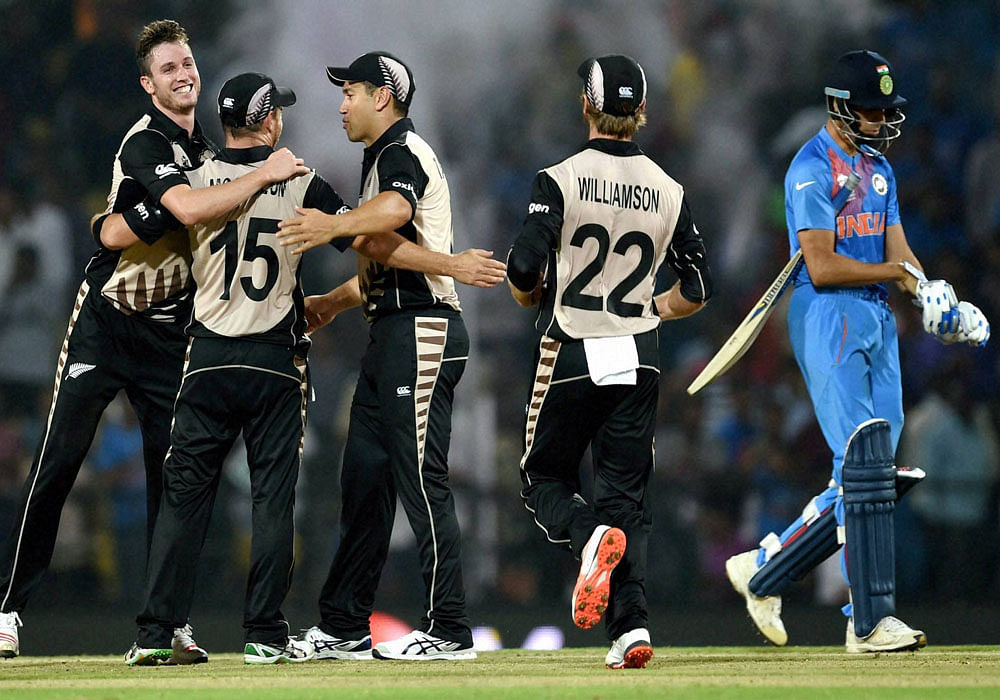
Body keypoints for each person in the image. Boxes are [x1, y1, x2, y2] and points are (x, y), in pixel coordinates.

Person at [120, 70, 505, 666]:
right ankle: (266, 635)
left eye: (349, 94)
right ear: (269, 120)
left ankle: (154, 633)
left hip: (206, 359)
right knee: (274, 500)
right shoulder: (302, 181)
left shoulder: (194, 182)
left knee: (183, 498)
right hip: (275, 359)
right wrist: (444, 262)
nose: (336, 106)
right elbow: (374, 245)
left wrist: (101, 228)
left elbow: (132, 227)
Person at [0, 19, 305, 662]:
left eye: (188, 62)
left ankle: (167, 623)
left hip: (171, 336)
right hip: (107, 322)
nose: (184, 73)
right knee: (59, 461)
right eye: (168, 69)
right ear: (148, 85)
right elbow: (180, 215)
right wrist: (263, 174)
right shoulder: (145, 142)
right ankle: (8, 610)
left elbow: (121, 228)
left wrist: (129, 221)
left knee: (176, 485)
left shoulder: (214, 157)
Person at [725, 50, 990, 653]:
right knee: (866, 458)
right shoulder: (809, 168)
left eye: (884, 111)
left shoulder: (880, 171)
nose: (878, 121)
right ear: (840, 107)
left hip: (876, 315)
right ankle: (868, 620)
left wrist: (931, 297)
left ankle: (765, 570)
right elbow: (818, 266)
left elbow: (900, 252)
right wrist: (898, 273)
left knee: (873, 471)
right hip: (827, 316)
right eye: (869, 111)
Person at [276, 51, 505, 661]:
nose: (341, 103)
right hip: (393, 330)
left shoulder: (400, 152)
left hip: (422, 331)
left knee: (421, 481)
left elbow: (395, 216)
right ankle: (346, 624)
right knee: (364, 484)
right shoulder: (381, 158)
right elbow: (389, 253)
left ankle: (451, 628)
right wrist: (336, 300)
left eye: (350, 90)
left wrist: (333, 224)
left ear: (383, 96)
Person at [506, 54, 713, 669]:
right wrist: (653, 304)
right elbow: (698, 286)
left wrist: (526, 296)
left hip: (572, 344)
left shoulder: (560, 178)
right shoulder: (668, 188)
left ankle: (585, 535)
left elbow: (523, 268)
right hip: (639, 354)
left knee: (542, 479)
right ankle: (632, 630)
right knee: (628, 498)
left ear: (587, 107)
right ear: (641, 111)